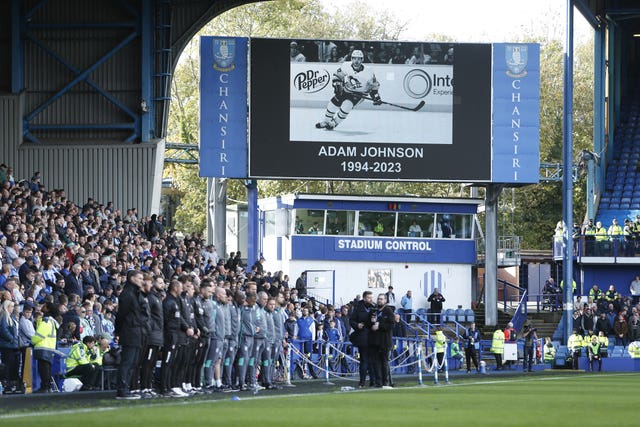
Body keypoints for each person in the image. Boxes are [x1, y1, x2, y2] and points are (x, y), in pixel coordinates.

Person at [315, 49, 382, 130]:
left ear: (362, 60)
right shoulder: (346, 65)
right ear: (351, 59)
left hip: (359, 94)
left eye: (358, 59)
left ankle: (334, 123)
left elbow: (374, 85)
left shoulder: (368, 71)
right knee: (333, 104)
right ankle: (326, 121)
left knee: (347, 105)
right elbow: (338, 76)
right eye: (354, 58)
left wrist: (375, 96)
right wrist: (337, 84)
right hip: (346, 90)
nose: (356, 61)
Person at [114, 270, 149, 400]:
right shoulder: (128, 294)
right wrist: (118, 331)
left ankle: (127, 388)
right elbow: (121, 315)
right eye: (140, 278)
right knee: (127, 362)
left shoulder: (136, 293)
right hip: (130, 332)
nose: (142, 280)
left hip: (137, 331)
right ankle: (122, 390)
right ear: (132, 279)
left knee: (133, 362)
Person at [31, 301, 60, 393]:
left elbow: (39, 335)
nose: (42, 306)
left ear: (47, 308)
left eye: (44, 305)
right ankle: (46, 387)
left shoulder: (46, 321)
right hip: (49, 348)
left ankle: (45, 387)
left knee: (43, 369)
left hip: (43, 348)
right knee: (46, 369)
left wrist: (32, 341)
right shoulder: (51, 321)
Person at [349, 291, 375, 388]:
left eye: (371, 297)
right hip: (362, 337)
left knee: (372, 360)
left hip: (373, 337)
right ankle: (362, 382)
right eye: (369, 298)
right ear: (364, 298)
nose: (371, 299)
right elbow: (351, 320)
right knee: (364, 360)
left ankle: (373, 381)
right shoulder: (357, 308)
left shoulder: (374, 308)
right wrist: (357, 325)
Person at [369, 293, 394, 388]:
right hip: (375, 341)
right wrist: (371, 322)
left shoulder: (388, 311)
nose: (379, 300)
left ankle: (385, 381)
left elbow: (391, 325)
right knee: (376, 362)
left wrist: (380, 325)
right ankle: (378, 382)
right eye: (378, 299)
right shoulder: (374, 311)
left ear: (385, 301)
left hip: (385, 341)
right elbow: (369, 324)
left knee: (384, 362)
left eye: (381, 299)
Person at [0, 300, 21, 393]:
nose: (13, 308)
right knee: (8, 365)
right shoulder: (4, 315)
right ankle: (6, 384)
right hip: (7, 345)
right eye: (11, 306)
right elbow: (3, 329)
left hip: (13, 345)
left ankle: (11, 384)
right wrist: (12, 338)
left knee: (13, 365)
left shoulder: (10, 316)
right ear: (7, 307)